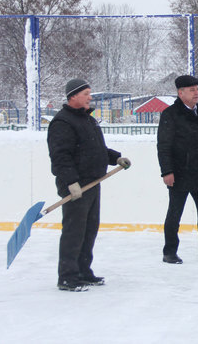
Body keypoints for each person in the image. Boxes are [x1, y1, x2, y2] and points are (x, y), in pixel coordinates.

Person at [47, 79, 131, 291]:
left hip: (93, 183)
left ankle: (84, 271)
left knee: (89, 230)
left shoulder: (86, 119)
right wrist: (70, 183)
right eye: (86, 93)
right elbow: (60, 156)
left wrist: (115, 158)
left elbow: (95, 148)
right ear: (73, 96)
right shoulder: (62, 122)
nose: (90, 97)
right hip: (77, 187)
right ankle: (67, 276)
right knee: (74, 232)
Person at [157, 74, 198, 264]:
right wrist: (166, 171)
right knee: (175, 213)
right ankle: (169, 251)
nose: (196, 93)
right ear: (181, 92)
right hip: (179, 173)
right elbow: (164, 146)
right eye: (192, 90)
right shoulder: (170, 115)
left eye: (197, 89)